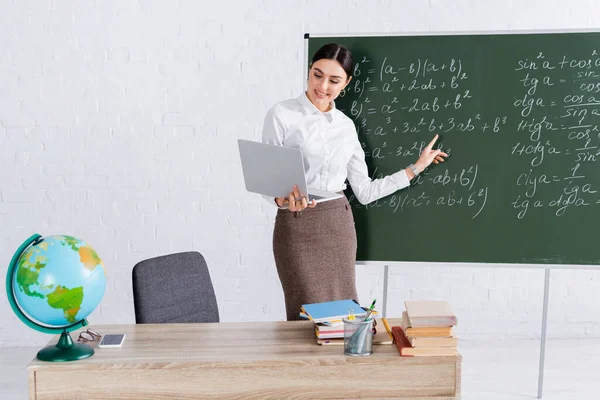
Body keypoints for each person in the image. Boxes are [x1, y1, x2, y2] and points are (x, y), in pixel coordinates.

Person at [262, 43, 448, 321]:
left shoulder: (346, 126)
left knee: (343, 317)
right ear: (309, 73)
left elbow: (365, 191)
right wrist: (280, 199)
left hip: (337, 225)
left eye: (334, 80)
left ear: (346, 83)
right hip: (296, 225)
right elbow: (268, 180)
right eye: (317, 75)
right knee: (303, 315)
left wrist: (416, 168)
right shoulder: (281, 115)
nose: (323, 85)